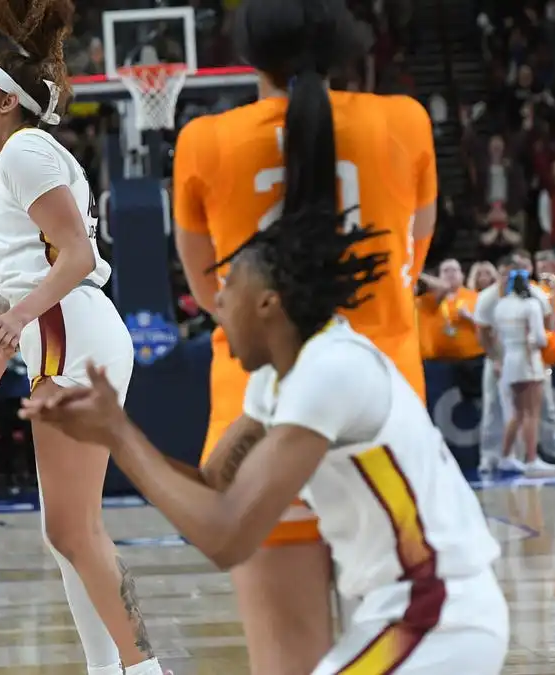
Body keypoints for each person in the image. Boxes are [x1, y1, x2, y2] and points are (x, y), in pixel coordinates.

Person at [22, 208, 508, 675]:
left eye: (228, 287)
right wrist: (112, 434)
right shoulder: (279, 381)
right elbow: (214, 488)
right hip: (401, 615)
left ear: (268, 302)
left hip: (439, 615)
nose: (217, 304)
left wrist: (119, 436)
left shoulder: (330, 371)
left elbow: (228, 538)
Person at [170, 1, 438, 671]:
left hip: (261, 431)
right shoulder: (406, 122)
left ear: (250, 51)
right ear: (346, 43)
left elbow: (211, 296)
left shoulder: (205, 142)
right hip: (385, 436)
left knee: (286, 663)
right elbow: (409, 266)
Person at [0, 0, 162, 672]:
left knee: (76, 529)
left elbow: (71, 255)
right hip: (65, 332)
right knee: (69, 532)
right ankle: (112, 669)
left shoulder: (24, 148)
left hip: (72, 328)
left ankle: (142, 668)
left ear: (9, 101)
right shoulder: (25, 150)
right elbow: (36, 269)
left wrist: (12, 322)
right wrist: (0, 342)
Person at [493, 270, 551, 472]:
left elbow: (496, 337)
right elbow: (541, 338)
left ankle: (506, 456)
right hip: (528, 359)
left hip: (509, 358)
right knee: (532, 412)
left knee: (517, 412)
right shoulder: (531, 305)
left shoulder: (501, 305)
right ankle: (532, 459)